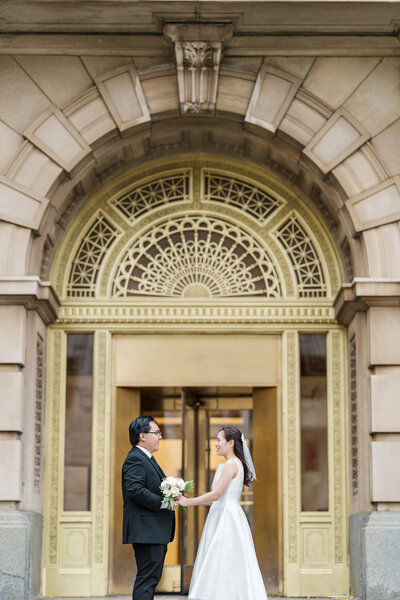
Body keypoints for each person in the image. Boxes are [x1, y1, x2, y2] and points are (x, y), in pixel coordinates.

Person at [176, 426, 268, 600]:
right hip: (225, 515)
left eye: (219, 440)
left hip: (226, 518)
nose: (216, 444)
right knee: (227, 559)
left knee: (222, 558)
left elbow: (216, 495)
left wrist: (188, 502)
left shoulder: (230, 465)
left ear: (231, 443)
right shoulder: (233, 465)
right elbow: (216, 498)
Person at [122, 416, 176, 600]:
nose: (160, 437)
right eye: (156, 433)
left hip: (153, 530)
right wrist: (165, 502)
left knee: (150, 579)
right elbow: (134, 490)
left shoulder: (147, 458)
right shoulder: (135, 459)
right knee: (147, 580)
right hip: (147, 531)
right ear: (142, 436)